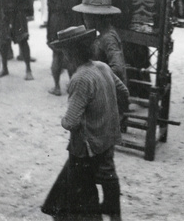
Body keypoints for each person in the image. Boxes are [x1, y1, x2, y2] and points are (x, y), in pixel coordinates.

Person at [42, 25, 129, 221]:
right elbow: (124, 93)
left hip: (88, 147)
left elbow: (71, 122)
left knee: (79, 189)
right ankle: (113, 216)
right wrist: (110, 115)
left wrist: (63, 119)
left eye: (64, 54)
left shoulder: (80, 78)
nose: (63, 59)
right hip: (108, 138)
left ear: (71, 54)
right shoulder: (102, 66)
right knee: (90, 177)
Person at [35, 0, 84, 96]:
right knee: (70, 53)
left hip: (54, 19)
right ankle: (72, 86)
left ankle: (56, 87)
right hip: (69, 18)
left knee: (57, 53)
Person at [73, 0, 127, 85]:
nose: (84, 18)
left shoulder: (108, 38)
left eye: (86, 15)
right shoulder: (103, 35)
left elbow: (118, 68)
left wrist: (94, 79)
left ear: (96, 17)